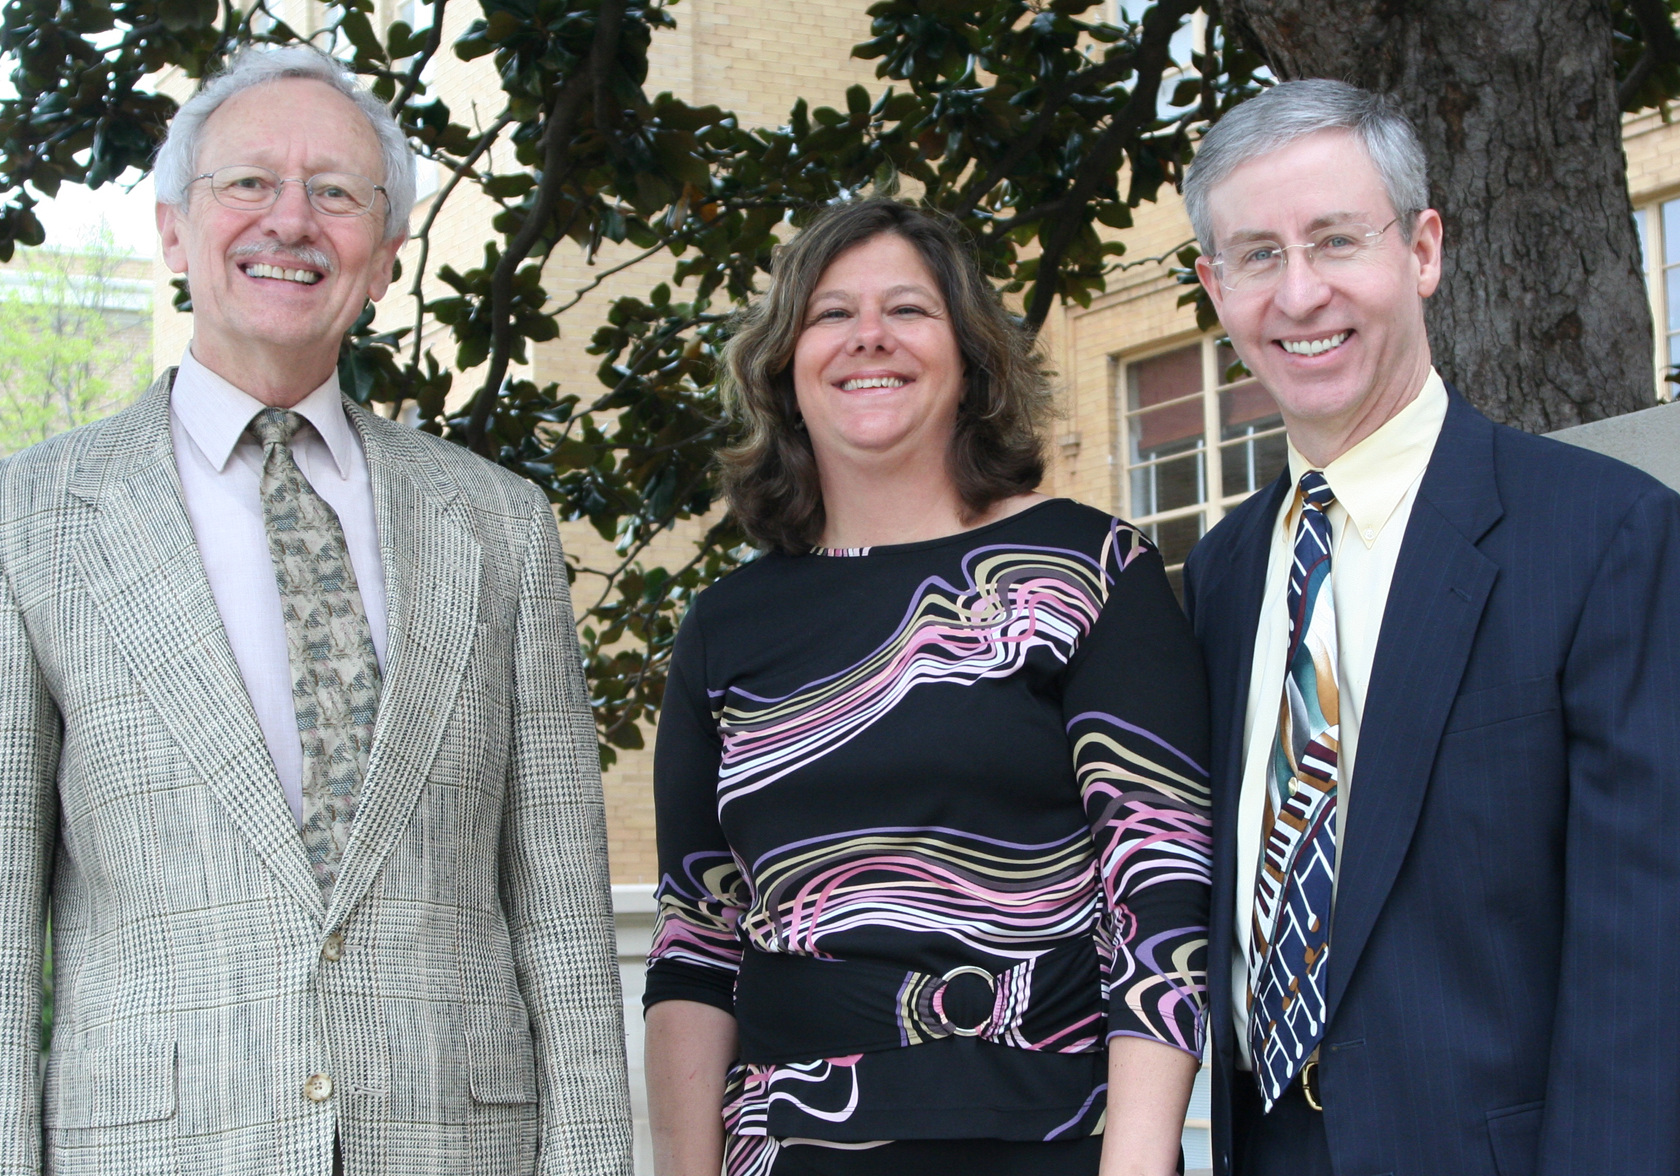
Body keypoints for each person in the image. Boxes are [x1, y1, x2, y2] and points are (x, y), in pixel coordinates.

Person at [0, 45, 632, 1175]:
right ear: (172, 230)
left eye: (336, 193)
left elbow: (563, 918)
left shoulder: (497, 523)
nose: (291, 220)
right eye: (247, 183)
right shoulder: (31, 518)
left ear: (385, 256)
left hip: (456, 1145)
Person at [642, 197, 1213, 1176]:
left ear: (971, 359)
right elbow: (697, 933)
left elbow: (1158, 896)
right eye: (831, 313)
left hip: (1045, 1135)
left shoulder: (1085, 568)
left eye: (908, 309)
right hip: (788, 1145)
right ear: (786, 365)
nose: (869, 335)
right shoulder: (725, 625)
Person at [1182, 79, 1680, 1176]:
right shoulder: (1218, 576)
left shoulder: (1605, 536)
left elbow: (1645, 955)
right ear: (1217, 289)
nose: (1301, 293)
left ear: (1422, 249)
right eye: (1259, 256)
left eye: (1335, 240)